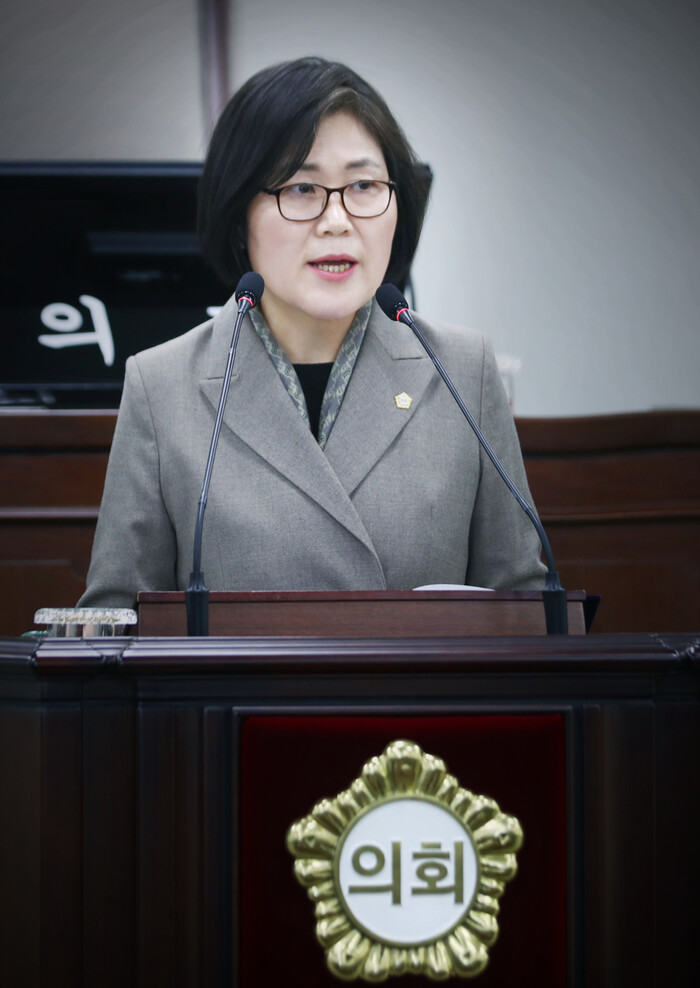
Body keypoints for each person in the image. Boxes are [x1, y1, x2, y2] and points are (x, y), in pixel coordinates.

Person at [80, 56, 545, 608]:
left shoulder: (463, 371)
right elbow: (115, 623)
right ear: (239, 215)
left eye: (364, 184)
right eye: (302, 188)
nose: (337, 220)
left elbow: (527, 609)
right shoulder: (162, 387)